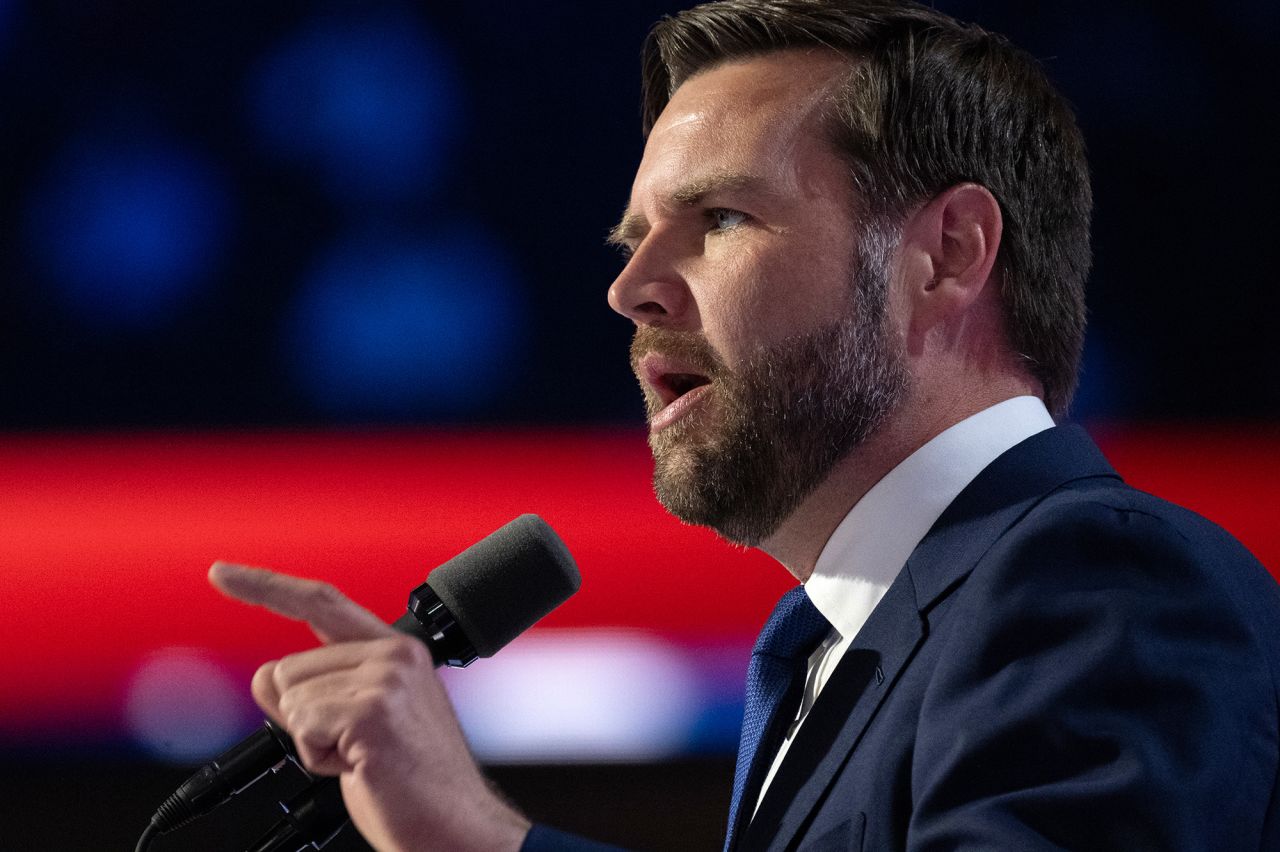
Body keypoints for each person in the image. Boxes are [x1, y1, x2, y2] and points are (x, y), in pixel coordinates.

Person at [210, 1, 1280, 849]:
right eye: (632, 239)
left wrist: (485, 841)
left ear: (947, 253)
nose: (630, 287)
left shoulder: (1105, 580)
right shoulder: (826, 651)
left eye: (719, 218)